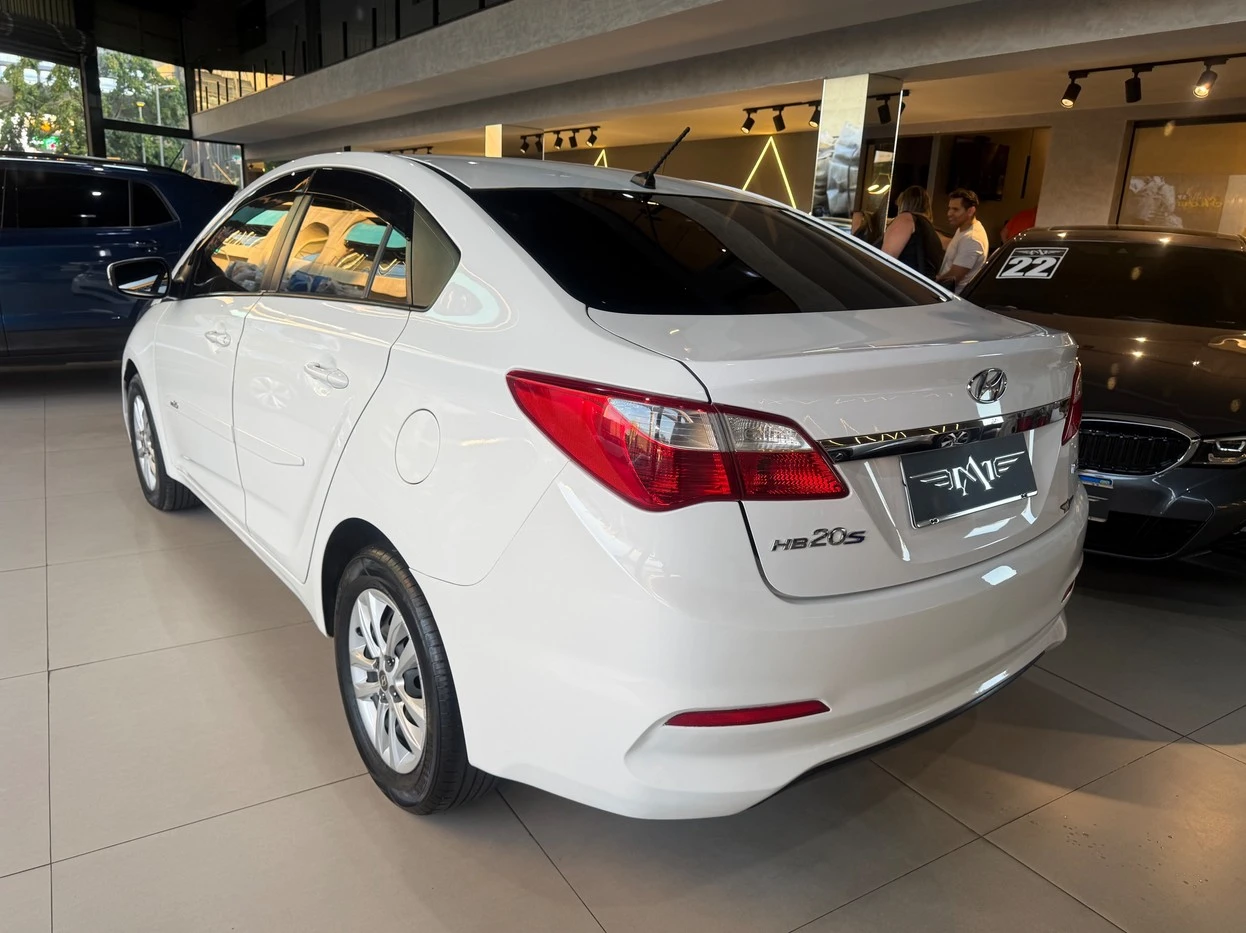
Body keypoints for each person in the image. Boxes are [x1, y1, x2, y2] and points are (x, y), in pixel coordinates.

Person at [881, 185, 945, 279]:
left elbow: (885, 260)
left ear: (904, 203)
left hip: (900, 282)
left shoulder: (906, 219)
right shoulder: (932, 232)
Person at [937, 188, 990, 293]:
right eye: (949, 208)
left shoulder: (972, 239)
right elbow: (953, 246)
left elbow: (952, 278)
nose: (949, 213)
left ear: (970, 211)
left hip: (952, 297)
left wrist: (930, 283)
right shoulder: (963, 229)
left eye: (955, 209)